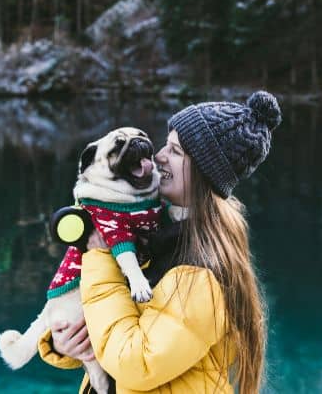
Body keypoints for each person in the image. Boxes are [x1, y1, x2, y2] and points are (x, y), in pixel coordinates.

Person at [37, 92, 282, 394]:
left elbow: (135, 363)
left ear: (205, 173)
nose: (160, 155)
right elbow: (114, 321)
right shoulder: (152, 229)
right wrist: (67, 342)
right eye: (166, 143)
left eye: (176, 151)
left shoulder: (200, 271)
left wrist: (98, 255)